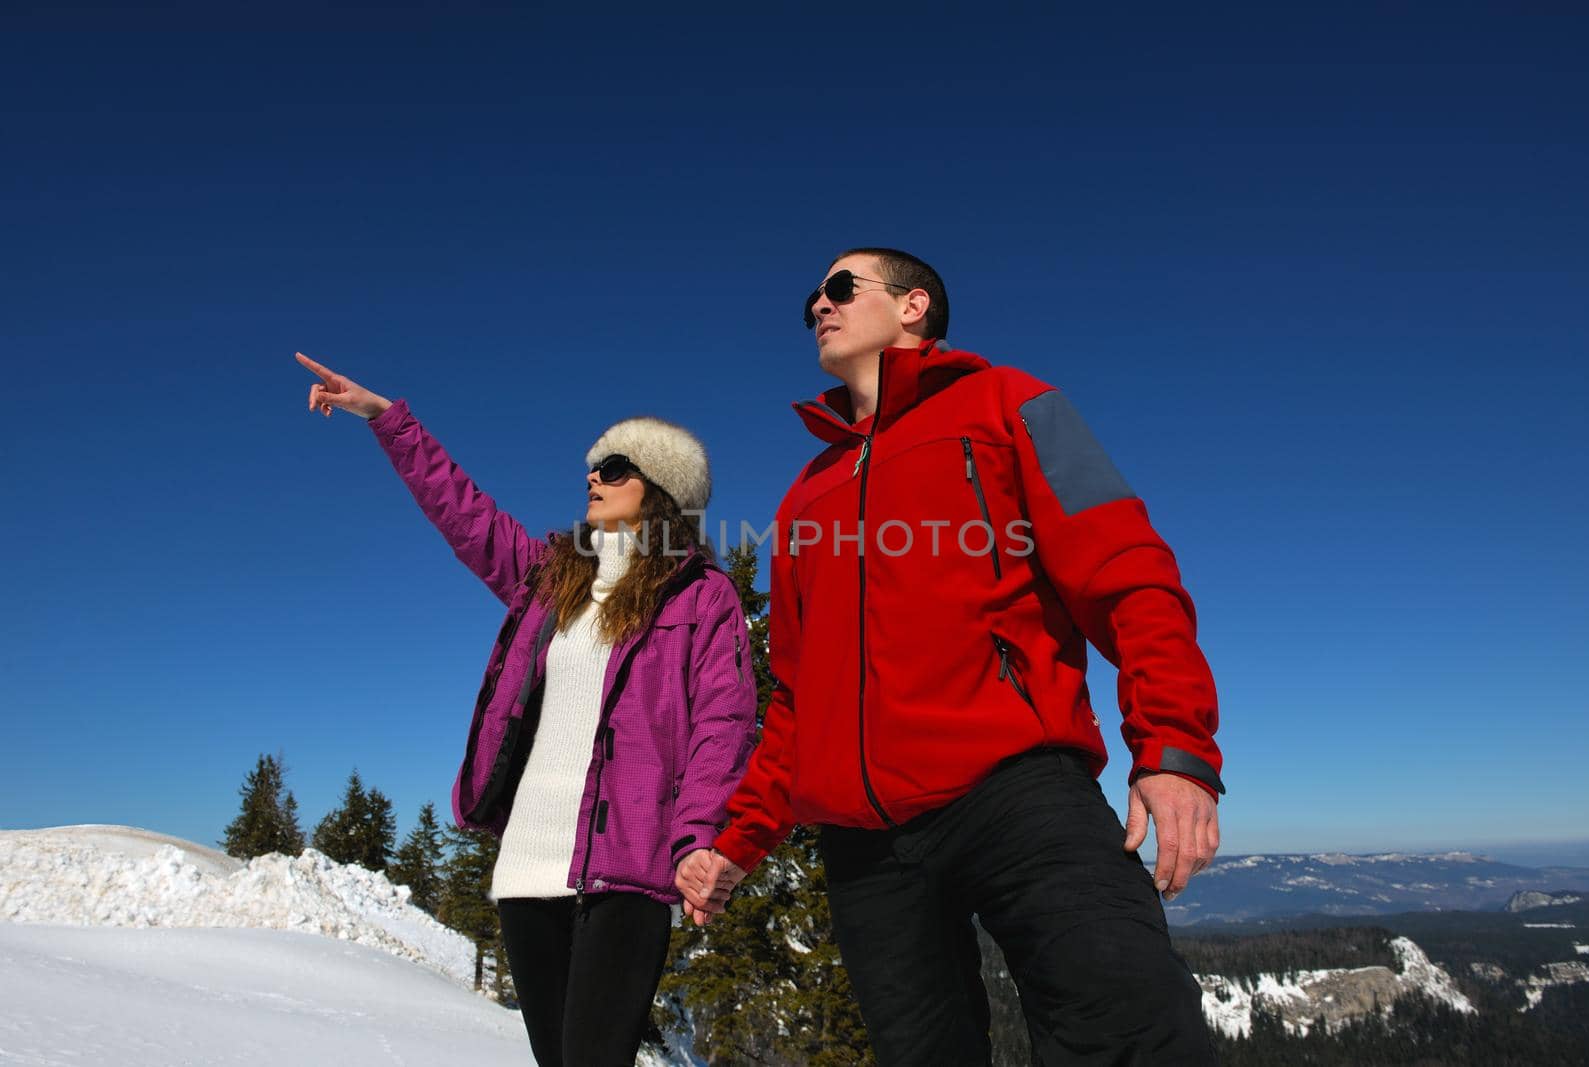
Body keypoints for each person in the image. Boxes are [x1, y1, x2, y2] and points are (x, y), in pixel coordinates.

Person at [676, 250, 1224, 1064]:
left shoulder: (1013, 402)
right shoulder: (803, 497)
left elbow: (1126, 567)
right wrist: (736, 842)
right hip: (864, 848)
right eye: (809, 302)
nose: (817, 308)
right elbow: (795, 699)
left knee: (1131, 1021)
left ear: (913, 305)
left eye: (837, 288)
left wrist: (1173, 742)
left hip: (1015, 792)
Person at [296, 352, 757, 1066]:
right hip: (526, 867)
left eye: (612, 467)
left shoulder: (701, 596)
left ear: (661, 488)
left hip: (626, 869)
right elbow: (464, 513)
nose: (591, 477)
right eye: (592, 466)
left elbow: (722, 725)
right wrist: (387, 419)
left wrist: (696, 836)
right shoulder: (551, 576)